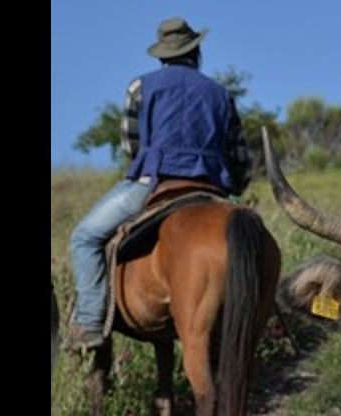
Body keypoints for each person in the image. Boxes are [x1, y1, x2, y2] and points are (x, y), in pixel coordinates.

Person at [65, 17, 251, 350]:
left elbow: (130, 146)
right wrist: (234, 187)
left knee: (84, 237)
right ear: (196, 52)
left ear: (162, 55)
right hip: (211, 186)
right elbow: (238, 154)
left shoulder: (140, 87)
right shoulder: (221, 94)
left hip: (152, 181)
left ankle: (90, 323)